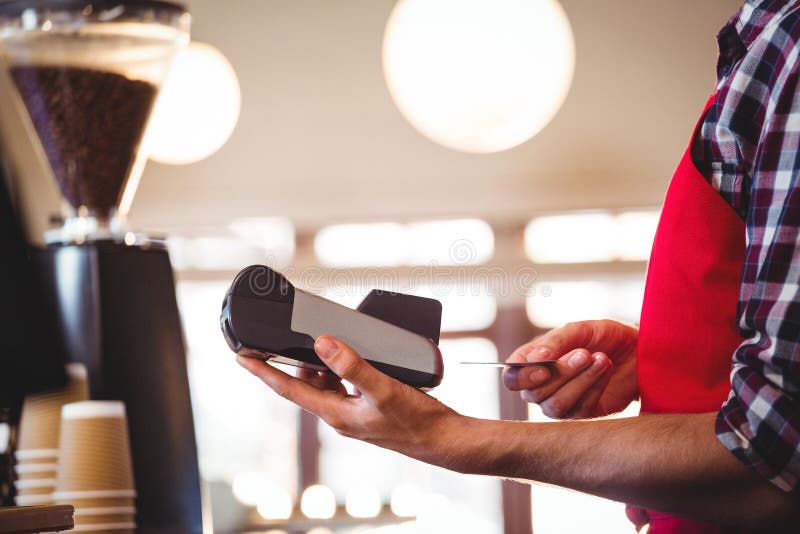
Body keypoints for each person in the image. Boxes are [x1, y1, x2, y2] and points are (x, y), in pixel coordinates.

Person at [237, 1, 800, 531]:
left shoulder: (787, 45)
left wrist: (449, 437)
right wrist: (671, 363)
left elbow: (773, 459)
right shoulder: (761, 51)